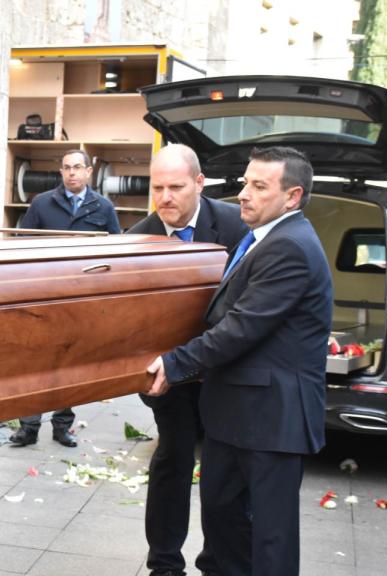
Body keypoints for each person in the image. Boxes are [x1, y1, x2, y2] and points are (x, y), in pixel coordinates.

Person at [146, 146, 332, 576]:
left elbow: (242, 327)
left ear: (292, 196)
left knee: (270, 540)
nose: (244, 194)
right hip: (234, 415)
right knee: (225, 526)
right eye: (246, 182)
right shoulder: (263, 239)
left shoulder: (290, 248)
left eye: (259, 186)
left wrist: (174, 364)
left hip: (271, 419)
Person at [128, 144, 247, 576]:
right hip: (169, 380)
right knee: (173, 461)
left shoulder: (236, 226)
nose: (165, 198)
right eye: (157, 187)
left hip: (224, 372)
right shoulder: (137, 237)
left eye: (176, 187)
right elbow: (131, 320)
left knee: (222, 472)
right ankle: (163, 564)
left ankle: (216, 561)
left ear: (199, 183)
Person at [10, 148, 119, 448]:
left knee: (69, 363)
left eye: (77, 167)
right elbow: (21, 249)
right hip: (43, 295)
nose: (72, 173)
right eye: (66, 168)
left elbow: (116, 251)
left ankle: (62, 426)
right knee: (35, 361)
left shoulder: (103, 208)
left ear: (88, 172)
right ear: (61, 172)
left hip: (81, 298)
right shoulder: (42, 203)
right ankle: (28, 427)